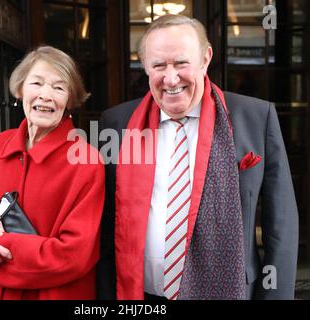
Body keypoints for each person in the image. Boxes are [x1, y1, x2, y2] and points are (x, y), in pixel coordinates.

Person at [97, 15, 298, 300]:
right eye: (158, 65)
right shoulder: (117, 123)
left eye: (181, 63)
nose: (170, 78)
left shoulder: (256, 117)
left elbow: (281, 224)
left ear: (205, 59)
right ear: (144, 66)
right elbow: (104, 226)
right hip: (140, 296)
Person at [0, 46, 105, 299]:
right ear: (20, 89)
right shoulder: (0, 146)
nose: (45, 95)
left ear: (69, 100)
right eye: (37, 83)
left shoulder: (87, 161)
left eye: (59, 87)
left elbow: (75, 255)